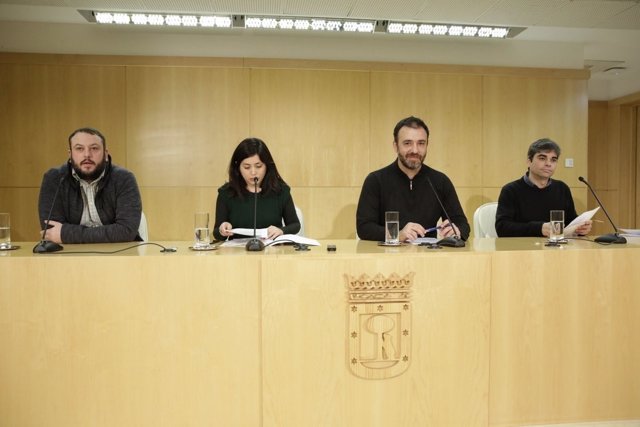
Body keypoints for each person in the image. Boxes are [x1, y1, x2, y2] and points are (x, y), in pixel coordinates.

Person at [356, 116, 470, 242]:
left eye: (421, 143)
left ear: (427, 145)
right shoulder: (376, 180)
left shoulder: (440, 181)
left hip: (428, 257)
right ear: (395, 146)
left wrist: (456, 230)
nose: (415, 150)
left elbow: (463, 225)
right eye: (407, 143)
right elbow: (364, 228)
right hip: (386, 256)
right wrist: (397, 235)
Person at [37, 127, 143, 243]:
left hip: (119, 255)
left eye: (94, 148)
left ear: (106, 154)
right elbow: (51, 231)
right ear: (70, 154)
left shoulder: (123, 179)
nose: (87, 154)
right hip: (69, 255)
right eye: (79, 149)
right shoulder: (55, 179)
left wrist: (66, 234)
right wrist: (107, 233)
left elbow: (126, 231)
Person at [495, 137, 592, 237]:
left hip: (557, 249)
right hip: (523, 249)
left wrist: (580, 228)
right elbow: (502, 228)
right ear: (529, 161)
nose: (548, 164)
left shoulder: (562, 188)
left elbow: (569, 222)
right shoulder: (511, 190)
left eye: (553, 160)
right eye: (542, 158)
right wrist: (539, 228)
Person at [214, 138, 300, 241]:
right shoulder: (226, 193)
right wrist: (222, 229)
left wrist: (281, 230)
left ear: (267, 166)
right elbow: (216, 233)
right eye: (247, 167)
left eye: (258, 166)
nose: (253, 172)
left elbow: (295, 225)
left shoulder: (280, 191)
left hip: (272, 252)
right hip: (238, 253)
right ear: (237, 167)